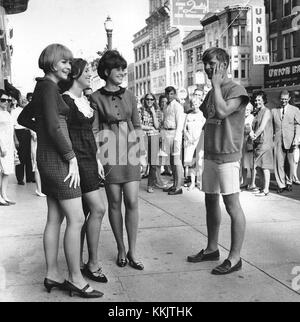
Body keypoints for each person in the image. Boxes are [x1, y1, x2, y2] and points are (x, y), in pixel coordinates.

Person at [17, 43, 103, 298]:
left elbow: (24, 119)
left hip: (48, 158)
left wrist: (43, 130)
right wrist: (71, 157)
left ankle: (53, 273)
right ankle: (76, 278)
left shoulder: (43, 87)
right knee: (76, 219)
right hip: (59, 159)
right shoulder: (50, 88)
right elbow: (55, 126)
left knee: (55, 218)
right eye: (65, 62)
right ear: (53, 63)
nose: (69, 66)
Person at [187, 47, 249, 275]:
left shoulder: (236, 89)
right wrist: (197, 150)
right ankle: (212, 248)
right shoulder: (212, 92)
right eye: (206, 64)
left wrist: (215, 85)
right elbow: (209, 118)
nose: (208, 68)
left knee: (232, 206)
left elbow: (222, 112)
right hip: (212, 153)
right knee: (210, 201)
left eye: (212, 63)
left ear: (224, 64)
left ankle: (235, 257)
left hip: (228, 155)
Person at [91, 50, 145, 270]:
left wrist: (142, 154)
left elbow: (138, 125)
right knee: (114, 203)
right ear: (106, 71)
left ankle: (133, 250)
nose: (123, 72)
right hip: (109, 149)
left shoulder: (130, 95)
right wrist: (98, 158)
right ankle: (121, 248)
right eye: (119, 69)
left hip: (130, 149)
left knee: (132, 201)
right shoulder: (95, 98)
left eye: (124, 69)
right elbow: (94, 130)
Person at [61, 58, 107, 283]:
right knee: (98, 208)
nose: (90, 74)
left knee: (88, 212)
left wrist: (97, 158)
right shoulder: (66, 101)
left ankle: (80, 261)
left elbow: (89, 134)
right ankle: (93, 262)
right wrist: (69, 159)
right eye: (86, 71)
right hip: (77, 162)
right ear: (75, 74)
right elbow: (60, 133)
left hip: (89, 159)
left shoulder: (85, 101)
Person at [271, 90, 300, 193]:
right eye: (282, 99)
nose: (283, 101)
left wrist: (296, 139)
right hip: (278, 140)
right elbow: (271, 127)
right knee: (279, 163)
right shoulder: (274, 111)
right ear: (280, 99)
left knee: (290, 164)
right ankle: (281, 184)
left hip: (291, 140)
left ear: (289, 99)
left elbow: (298, 125)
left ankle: (289, 182)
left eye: (285, 99)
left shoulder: (295, 110)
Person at [140, 93, 166, 192]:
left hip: (154, 137)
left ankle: (150, 184)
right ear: (145, 100)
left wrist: (153, 113)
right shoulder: (141, 110)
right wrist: (149, 127)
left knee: (153, 163)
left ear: (154, 100)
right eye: (147, 99)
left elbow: (157, 126)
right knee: (143, 162)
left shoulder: (158, 111)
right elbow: (139, 125)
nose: (149, 101)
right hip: (144, 137)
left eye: (151, 99)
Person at [161, 86, 185, 195]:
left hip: (174, 133)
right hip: (167, 134)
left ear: (174, 94)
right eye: (167, 94)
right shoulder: (167, 106)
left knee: (176, 161)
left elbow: (180, 124)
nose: (169, 96)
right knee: (171, 161)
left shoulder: (177, 106)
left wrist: (177, 138)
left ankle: (179, 186)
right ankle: (175, 184)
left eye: (171, 94)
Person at [249, 92, 273, 196]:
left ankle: (266, 189)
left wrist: (254, 136)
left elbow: (262, 127)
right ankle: (263, 186)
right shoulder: (257, 112)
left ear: (263, 100)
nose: (257, 102)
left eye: (259, 100)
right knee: (258, 166)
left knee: (265, 166)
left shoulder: (266, 111)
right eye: (255, 100)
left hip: (265, 142)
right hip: (257, 143)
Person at [11, 94, 35, 185]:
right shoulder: (14, 111)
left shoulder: (29, 110)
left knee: (30, 156)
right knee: (21, 156)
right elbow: (12, 126)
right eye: (22, 99)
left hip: (29, 133)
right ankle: (20, 178)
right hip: (19, 133)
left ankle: (30, 177)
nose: (24, 101)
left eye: (25, 99)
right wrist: (16, 139)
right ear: (18, 101)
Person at [183, 95, 206, 191]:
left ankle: (200, 182)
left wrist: (197, 138)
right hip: (190, 142)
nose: (194, 106)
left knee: (200, 162)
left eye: (196, 104)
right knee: (191, 163)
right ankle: (192, 182)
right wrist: (188, 137)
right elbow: (184, 129)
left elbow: (204, 129)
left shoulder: (203, 115)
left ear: (200, 104)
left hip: (200, 141)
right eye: (193, 104)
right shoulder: (188, 115)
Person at [0, 89, 15, 206]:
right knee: (1, 171)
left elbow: (11, 132)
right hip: (2, 147)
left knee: (7, 172)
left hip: (9, 146)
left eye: (8, 100)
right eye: (3, 100)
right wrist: (2, 147)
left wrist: (13, 147)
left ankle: (4, 195)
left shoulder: (7, 113)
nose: (6, 102)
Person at [240, 102, 255, 189]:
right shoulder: (241, 118)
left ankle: (253, 183)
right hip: (242, 142)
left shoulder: (252, 118)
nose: (246, 111)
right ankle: (245, 182)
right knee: (243, 164)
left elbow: (253, 130)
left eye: (248, 109)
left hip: (249, 143)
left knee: (251, 164)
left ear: (251, 110)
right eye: (245, 109)